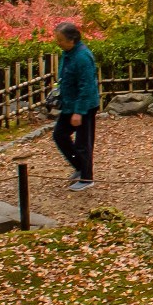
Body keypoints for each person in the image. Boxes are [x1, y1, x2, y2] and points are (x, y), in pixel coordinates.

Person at [51, 20, 100, 191]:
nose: (58, 43)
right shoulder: (68, 54)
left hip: (85, 105)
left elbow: (86, 86)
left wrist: (79, 112)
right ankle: (79, 166)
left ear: (72, 39)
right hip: (69, 103)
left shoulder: (82, 57)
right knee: (59, 135)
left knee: (83, 142)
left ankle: (87, 178)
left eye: (61, 40)